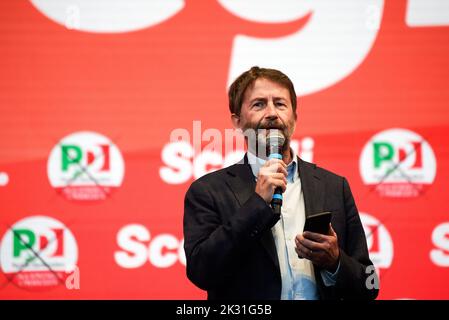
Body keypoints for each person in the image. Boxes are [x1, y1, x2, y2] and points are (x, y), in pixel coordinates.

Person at [183, 66, 379, 300]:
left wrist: (335, 262)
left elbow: (369, 286)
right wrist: (256, 204)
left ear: (294, 117)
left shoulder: (334, 187)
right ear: (237, 121)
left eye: (280, 104)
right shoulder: (208, 191)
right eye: (259, 104)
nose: (272, 113)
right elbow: (202, 272)